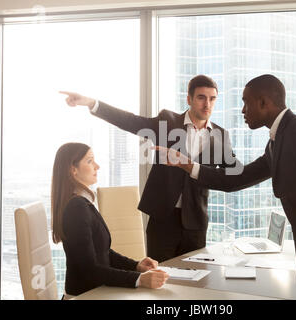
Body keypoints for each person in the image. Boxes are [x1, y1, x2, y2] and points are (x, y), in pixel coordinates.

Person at [156, 74, 296, 300]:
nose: (242, 110)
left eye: (246, 102)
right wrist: (187, 164)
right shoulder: (275, 143)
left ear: (263, 102)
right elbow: (236, 179)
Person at [60, 75, 238, 262]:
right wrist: (91, 103)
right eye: (201, 97)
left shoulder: (219, 136)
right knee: (160, 277)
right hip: (163, 219)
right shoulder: (167, 122)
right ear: (189, 99)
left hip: (195, 222)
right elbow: (130, 121)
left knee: (196, 279)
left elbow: (233, 174)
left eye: (212, 99)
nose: (207, 104)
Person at [51, 142, 169, 299]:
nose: (97, 166)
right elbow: (89, 270)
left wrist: (136, 266)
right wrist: (139, 279)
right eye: (89, 161)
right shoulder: (76, 208)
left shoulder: (82, 203)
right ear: (73, 170)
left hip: (96, 293)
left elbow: (103, 252)